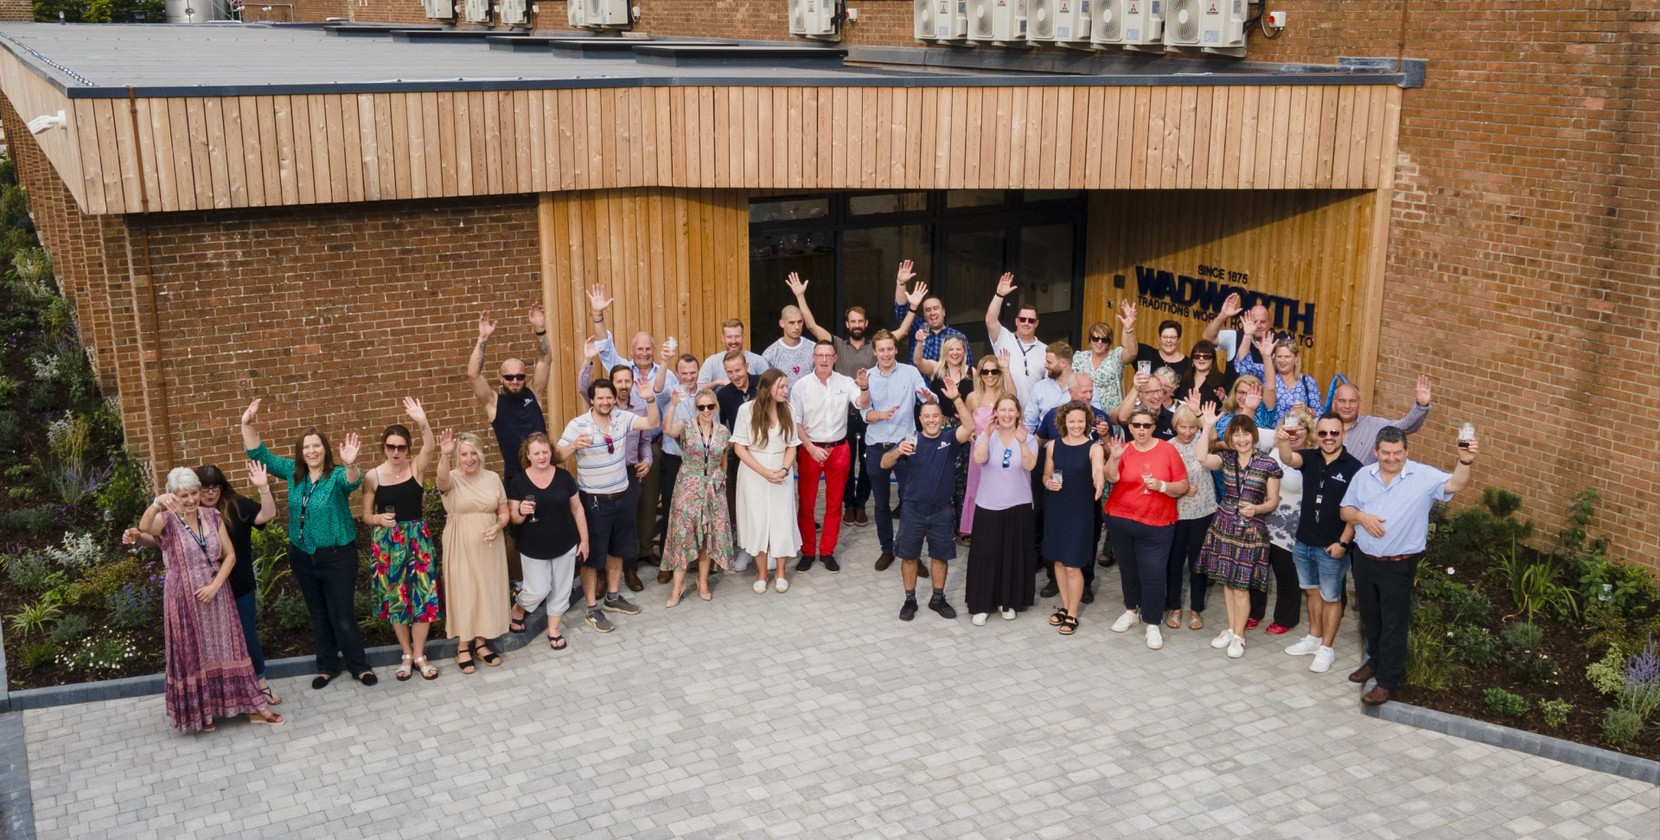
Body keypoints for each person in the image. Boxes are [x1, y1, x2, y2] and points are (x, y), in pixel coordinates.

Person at [241, 398, 374, 689]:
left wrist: (351, 463)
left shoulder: (336, 474)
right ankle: (327, 666)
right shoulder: (292, 472)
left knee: (343, 612)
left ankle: (359, 665)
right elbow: (259, 453)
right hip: (302, 556)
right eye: (306, 447)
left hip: (338, 556)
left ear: (325, 449)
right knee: (318, 613)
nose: (311, 451)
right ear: (301, 452)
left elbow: (353, 481)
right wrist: (246, 424)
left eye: (316, 446)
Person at [1342, 426, 1477, 705]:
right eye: (1386, 453)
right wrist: (1361, 517)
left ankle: (1387, 681)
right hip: (1365, 560)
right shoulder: (1362, 476)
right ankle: (1374, 661)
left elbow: (1456, 485)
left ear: (1406, 451)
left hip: (1398, 565)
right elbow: (1345, 510)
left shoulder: (1423, 476)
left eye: (1397, 453)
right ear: (1376, 451)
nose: (1392, 458)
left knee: (1393, 623)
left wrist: (1464, 460)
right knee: (1371, 617)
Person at [140, 468, 284, 732]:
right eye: (183, 495)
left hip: (217, 594)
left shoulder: (212, 514)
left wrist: (215, 585)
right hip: (183, 596)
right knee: (195, 654)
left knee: (229, 648)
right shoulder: (167, 519)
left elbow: (229, 556)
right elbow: (145, 527)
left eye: (194, 493)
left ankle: (254, 703)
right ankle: (202, 713)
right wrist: (155, 503)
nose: (191, 499)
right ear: (173, 496)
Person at [557, 377, 660, 631]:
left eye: (608, 397)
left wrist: (649, 399)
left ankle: (612, 598)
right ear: (591, 400)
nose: (605, 402)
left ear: (614, 398)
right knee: (591, 558)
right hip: (593, 501)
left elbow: (652, 422)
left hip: (622, 497)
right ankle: (592, 609)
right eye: (599, 397)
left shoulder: (622, 418)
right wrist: (573, 446)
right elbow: (557, 455)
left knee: (617, 552)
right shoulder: (578, 424)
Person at [788, 273, 880, 528]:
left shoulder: (876, 346)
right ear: (847, 324)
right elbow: (812, 325)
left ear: (866, 322)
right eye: (852, 320)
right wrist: (799, 295)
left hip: (867, 411)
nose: (857, 324)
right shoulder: (837, 345)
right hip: (843, 415)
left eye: (861, 320)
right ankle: (848, 505)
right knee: (846, 464)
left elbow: (901, 332)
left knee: (868, 463)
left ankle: (861, 504)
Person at [359, 399, 441, 682]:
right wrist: (378, 519)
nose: (396, 452)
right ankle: (406, 653)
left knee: (422, 597)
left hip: (417, 540)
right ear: (384, 447)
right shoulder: (372, 476)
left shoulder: (416, 469)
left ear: (407, 448)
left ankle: (420, 654)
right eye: (390, 446)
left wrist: (422, 421)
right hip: (387, 543)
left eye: (401, 447)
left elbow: (430, 447)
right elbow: (365, 516)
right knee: (396, 600)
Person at [1276, 411, 1363, 674]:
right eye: (1323, 433)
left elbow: (1356, 511)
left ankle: (1327, 648)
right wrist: (1282, 440)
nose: (1328, 438)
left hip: (1332, 547)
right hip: (1303, 542)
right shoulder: (1311, 457)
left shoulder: (1354, 467)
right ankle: (1313, 639)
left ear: (1343, 434)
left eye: (1334, 433)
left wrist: (1344, 543)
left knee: (1331, 598)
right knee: (1312, 592)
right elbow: (1288, 458)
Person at [1195, 408, 1282, 660]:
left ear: (1253, 436)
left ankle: (1239, 636)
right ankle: (1232, 628)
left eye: (1246, 434)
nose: (1241, 439)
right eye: (1236, 435)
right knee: (1227, 582)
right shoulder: (1226, 458)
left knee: (1241, 586)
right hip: (1224, 525)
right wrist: (1208, 426)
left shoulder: (1268, 464)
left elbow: (1273, 501)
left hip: (1250, 529)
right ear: (1231, 438)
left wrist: (1257, 509)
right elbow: (1201, 458)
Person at [1102, 406, 1191, 650]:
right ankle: (1131, 610)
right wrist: (1114, 457)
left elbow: (1182, 485)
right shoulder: (1123, 449)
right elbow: (1111, 478)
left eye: (1146, 425)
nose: (1141, 430)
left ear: (1154, 427)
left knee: (1153, 574)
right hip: (1121, 519)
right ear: (1130, 427)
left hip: (1157, 523)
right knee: (1128, 569)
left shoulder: (1168, 450)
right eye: (1136, 425)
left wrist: (1162, 486)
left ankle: (1152, 622)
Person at [883, 386, 973, 622]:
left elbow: (970, 427)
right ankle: (910, 599)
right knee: (909, 556)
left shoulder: (949, 439)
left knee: (940, 556)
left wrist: (956, 397)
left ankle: (938, 598)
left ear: (941, 418)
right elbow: (883, 463)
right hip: (912, 509)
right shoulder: (910, 441)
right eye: (927, 416)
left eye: (935, 416)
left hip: (942, 510)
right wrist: (896, 453)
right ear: (920, 419)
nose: (931, 420)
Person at [195, 462, 280, 705]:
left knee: (247, 635)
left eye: (215, 487)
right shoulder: (190, 513)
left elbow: (267, 515)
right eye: (204, 488)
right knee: (212, 640)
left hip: (240, 584)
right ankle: (220, 691)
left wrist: (263, 488)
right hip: (207, 589)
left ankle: (261, 683)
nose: (210, 493)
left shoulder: (236, 505)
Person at [859, 329, 935, 572]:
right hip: (876, 447)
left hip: (906, 446)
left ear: (896, 349)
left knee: (911, 502)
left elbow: (929, 401)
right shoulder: (866, 378)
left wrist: (927, 395)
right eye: (881, 349)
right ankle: (887, 550)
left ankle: (911, 553)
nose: (886, 353)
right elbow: (865, 415)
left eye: (890, 349)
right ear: (874, 352)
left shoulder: (911, 372)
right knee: (881, 503)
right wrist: (881, 414)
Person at [578, 354, 656, 590]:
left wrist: (648, 461)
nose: (623, 385)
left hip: (629, 474)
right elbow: (584, 387)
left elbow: (645, 441)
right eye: (619, 381)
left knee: (627, 524)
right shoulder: (604, 405)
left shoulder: (640, 406)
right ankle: (601, 573)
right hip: (601, 479)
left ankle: (630, 570)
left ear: (632, 383)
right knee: (601, 527)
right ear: (612, 385)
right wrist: (588, 359)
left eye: (627, 381)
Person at [436, 431, 511, 673]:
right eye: (463, 454)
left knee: (486, 590)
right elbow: (441, 480)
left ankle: (481, 643)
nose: (469, 459)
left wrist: (498, 526)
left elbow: (504, 511)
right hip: (460, 542)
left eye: (473, 453)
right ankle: (463, 646)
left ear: (480, 455)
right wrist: (445, 455)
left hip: (490, 544)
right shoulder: (452, 478)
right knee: (465, 591)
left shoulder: (492, 478)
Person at [506, 433, 587, 648]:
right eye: (536, 453)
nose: (542, 456)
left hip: (565, 543)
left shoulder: (564, 477)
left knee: (561, 590)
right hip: (533, 546)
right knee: (537, 590)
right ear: (528, 456)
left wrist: (584, 540)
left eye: (545, 451)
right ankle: (519, 609)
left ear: (551, 452)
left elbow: (577, 509)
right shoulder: (519, 481)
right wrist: (521, 512)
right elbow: (514, 518)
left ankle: (554, 630)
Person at [965, 394, 1039, 625]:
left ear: (1018, 413)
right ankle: (982, 604)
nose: (1007, 415)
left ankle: (1007, 602)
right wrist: (986, 435)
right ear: (996, 413)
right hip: (989, 504)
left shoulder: (1028, 438)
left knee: (1013, 555)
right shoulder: (987, 436)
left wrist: (1023, 443)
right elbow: (979, 458)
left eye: (1011, 410)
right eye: (1003, 410)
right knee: (986, 556)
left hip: (1018, 505)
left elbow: (1030, 465)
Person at [790, 340, 861, 573]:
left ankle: (828, 551)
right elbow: (795, 422)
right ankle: (808, 552)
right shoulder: (801, 386)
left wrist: (866, 387)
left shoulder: (846, 382)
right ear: (813, 357)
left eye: (828, 355)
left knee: (834, 503)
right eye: (819, 355)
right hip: (810, 448)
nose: (823, 359)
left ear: (835, 358)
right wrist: (810, 448)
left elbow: (861, 403)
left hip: (839, 449)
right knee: (807, 504)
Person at [731, 369, 802, 593]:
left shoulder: (788, 409)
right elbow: (739, 447)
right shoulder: (747, 410)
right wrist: (764, 472)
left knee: (782, 520)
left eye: (786, 386)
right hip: (754, 472)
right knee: (757, 521)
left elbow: (792, 444)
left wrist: (783, 468)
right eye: (781, 387)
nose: (785, 390)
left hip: (781, 471)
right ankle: (761, 573)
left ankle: (780, 572)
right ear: (767, 388)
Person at [661, 388, 734, 603]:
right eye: (701, 406)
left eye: (709, 406)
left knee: (707, 537)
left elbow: (723, 458)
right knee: (684, 536)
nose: (706, 410)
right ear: (696, 408)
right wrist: (673, 405)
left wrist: (721, 478)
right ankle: (677, 586)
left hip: (713, 489)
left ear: (715, 407)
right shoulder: (685, 426)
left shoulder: (722, 432)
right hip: (688, 488)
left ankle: (703, 582)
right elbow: (667, 429)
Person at [466, 306, 552, 489]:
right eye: (509, 377)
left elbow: (545, 360)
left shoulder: (534, 393)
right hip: (516, 478)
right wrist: (482, 338)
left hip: (545, 472)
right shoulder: (494, 403)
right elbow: (473, 374)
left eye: (520, 376)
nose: (515, 381)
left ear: (526, 377)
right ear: (501, 378)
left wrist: (540, 330)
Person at [1041, 402, 1105, 636]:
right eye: (1072, 421)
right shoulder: (1053, 445)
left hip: (1080, 512)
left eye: (1080, 421)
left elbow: (1098, 470)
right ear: (1063, 422)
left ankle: (1073, 613)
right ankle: (1066, 606)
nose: (1076, 425)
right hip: (1057, 509)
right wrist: (1048, 482)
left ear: (1086, 422)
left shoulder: (1093, 447)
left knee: (1072, 565)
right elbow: (1047, 474)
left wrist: (1099, 482)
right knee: (1058, 561)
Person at [1254, 406, 1314, 637]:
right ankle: (1253, 612)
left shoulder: (1312, 455)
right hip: (1265, 518)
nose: (1294, 432)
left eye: (1301, 427)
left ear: (1309, 431)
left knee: (1286, 573)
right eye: (1290, 426)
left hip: (1291, 525)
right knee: (1259, 570)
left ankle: (1286, 617)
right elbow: (1246, 429)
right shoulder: (1276, 447)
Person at [651, 351, 703, 581]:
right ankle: (667, 561)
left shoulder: (706, 395)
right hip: (673, 459)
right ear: (678, 373)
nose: (689, 377)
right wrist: (663, 362)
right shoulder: (669, 394)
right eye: (684, 373)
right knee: (672, 511)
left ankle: (695, 559)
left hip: (698, 462)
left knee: (697, 512)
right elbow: (656, 388)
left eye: (693, 373)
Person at [1165, 404, 1218, 632]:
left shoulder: (1202, 440)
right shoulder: (1167, 447)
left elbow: (1213, 440)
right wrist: (1180, 488)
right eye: (1181, 427)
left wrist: (1205, 424)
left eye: (1191, 427)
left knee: (1198, 563)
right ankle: (1175, 608)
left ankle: (1196, 609)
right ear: (1174, 426)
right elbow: (1163, 479)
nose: (1187, 432)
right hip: (1176, 513)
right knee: (1174, 563)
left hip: (1202, 512)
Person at [958, 353, 1017, 545]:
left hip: (1001, 451)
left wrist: (1006, 369)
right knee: (977, 489)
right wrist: (972, 436)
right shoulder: (972, 397)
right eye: (985, 371)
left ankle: (999, 530)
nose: (990, 375)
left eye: (994, 371)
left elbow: (1015, 400)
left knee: (1000, 489)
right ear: (979, 374)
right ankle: (977, 530)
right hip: (979, 452)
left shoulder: (1005, 396)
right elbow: (966, 423)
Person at [1334, 376, 1433, 465]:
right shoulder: (1321, 426)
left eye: (1352, 401)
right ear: (1334, 403)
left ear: (1359, 403)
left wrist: (1421, 406)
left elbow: (1406, 426)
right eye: (1342, 401)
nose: (1347, 406)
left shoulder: (1374, 426)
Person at [891, 259, 964, 368]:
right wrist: (901, 283)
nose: (932, 313)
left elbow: (967, 370)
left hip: (944, 384)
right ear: (924, 315)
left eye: (935, 308)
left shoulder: (957, 337)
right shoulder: (917, 328)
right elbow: (902, 310)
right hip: (917, 384)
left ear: (943, 311)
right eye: (928, 310)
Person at [585, 283, 663, 386]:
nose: (644, 353)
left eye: (648, 349)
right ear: (631, 350)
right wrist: (597, 315)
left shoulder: (666, 375)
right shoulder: (620, 368)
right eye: (640, 349)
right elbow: (605, 346)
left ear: (654, 350)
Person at [985, 273, 1047, 402]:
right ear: (1017, 321)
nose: (1026, 323)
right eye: (1023, 319)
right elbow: (990, 320)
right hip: (1004, 410)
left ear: (1036, 324)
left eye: (1031, 320)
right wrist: (999, 295)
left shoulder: (1045, 350)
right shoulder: (1004, 337)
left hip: (1032, 414)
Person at [1072, 305, 1138, 421]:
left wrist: (1129, 329)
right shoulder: (1079, 357)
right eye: (1095, 339)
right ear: (1089, 341)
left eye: (1104, 340)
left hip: (1110, 416)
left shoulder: (1116, 356)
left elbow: (1132, 353)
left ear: (1109, 343)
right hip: (1083, 412)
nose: (1099, 342)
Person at [1258, 339, 1324, 430]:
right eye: (1279, 356)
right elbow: (1243, 366)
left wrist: (1306, 410)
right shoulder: (1269, 380)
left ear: (1296, 358)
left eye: (1287, 357)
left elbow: (1320, 414)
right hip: (1272, 435)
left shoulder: (1307, 382)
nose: (1282, 360)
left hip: (1298, 436)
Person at [1202, 293, 1273, 374]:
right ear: (1247, 319)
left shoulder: (1280, 342)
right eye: (1255, 321)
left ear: (1269, 322)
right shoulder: (1234, 336)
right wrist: (1223, 315)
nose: (1259, 325)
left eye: (1263, 322)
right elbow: (1207, 338)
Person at [699, 318, 770, 387]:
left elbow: (770, 385)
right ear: (723, 338)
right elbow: (699, 388)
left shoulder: (758, 361)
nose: (733, 341)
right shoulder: (712, 361)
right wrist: (718, 382)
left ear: (743, 337)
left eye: (737, 336)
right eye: (729, 337)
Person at [1021, 343, 1074, 435]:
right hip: (1044, 445)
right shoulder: (1039, 388)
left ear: (1063, 363)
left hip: (1078, 446)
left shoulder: (1085, 386)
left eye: (1049, 362)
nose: (1045, 365)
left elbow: (1094, 417)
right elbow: (1028, 424)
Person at [762, 302, 817, 385]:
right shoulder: (771, 354)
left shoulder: (813, 348)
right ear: (782, 323)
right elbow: (766, 386)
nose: (797, 327)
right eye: (791, 323)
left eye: (800, 322)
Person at [1114, 370, 1177, 441]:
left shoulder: (1173, 419)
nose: (1156, 396)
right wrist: (1135, 388)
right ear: (1139, 395)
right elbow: (1122, 418)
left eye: (1159, 391)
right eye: (1150, 392)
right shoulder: (1133, 414)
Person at [1178, 339, 1233, 409]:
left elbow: (1231, 408)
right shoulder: (1183, 378)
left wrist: (1223, 399)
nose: (1201, 359)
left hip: (1210, 419)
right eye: (1197, 356)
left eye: (1206, 356)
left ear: (1212, 360)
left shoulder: (1222, 380)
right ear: (1192, 359)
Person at [1137, 319, 1192, 384]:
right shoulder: (1147, 353)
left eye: (1173, 337)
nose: (1168, 340)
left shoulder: (1188, 364)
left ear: (1178, 340)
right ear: (1159, 339)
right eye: (1165, 337)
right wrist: (1128, 329)